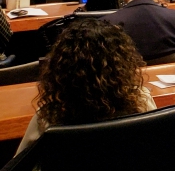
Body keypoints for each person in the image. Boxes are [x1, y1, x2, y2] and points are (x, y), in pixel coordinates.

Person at [16, 20, 157, 156]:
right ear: (122, 65)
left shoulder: (46, 118)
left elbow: (17, 169)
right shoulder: (142, 101)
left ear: (61, 69)